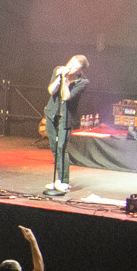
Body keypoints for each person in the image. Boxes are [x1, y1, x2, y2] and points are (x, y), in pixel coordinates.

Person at [43, 56, 88, 195]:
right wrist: (60, 77)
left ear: (80, 71)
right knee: (54, 147)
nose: (69, 67)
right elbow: (51, 90)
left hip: (66, 118)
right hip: (52, 114)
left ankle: (64, 181)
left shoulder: (82, 82)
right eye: (70, 63)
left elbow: (66, 97)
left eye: (74, 67)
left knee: (62, 147)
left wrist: (65, 83)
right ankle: (58, 179)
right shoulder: (58, 70)